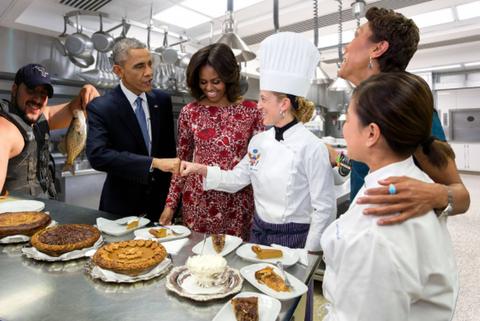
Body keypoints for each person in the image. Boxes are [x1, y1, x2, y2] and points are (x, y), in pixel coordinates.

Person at [181, 32, 336, 321]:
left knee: (289, 307)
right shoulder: (259, 142)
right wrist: (202, 170)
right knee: (258, 305)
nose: (259, 105)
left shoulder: (311, 147)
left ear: (284, 104)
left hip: (294, 239)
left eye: (264, 99)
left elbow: (324, 208)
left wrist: (309, 256)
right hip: (258, 233)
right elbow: (237, 178)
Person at [321, 72, 458, 321]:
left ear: (372, 133)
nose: (344, 127)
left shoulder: (376, 230)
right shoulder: (404, 179)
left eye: (348, 119)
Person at [332, 7, 470, 223]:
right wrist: (335, 156)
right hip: (362, 227)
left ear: (377, 48)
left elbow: (462, 197)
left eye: (356, 35)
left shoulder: (402, 107)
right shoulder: (363, 105)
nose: (346, 47)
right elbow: (366, 166)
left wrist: (436, 194)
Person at [159, 43, 264, 240]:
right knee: (197, 261)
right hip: (198, 201)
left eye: (216, 81)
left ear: (229, 78)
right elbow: (180, 161)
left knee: (234, 261)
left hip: (237, 202)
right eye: (203, 82)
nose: (209, 88)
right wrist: (170, 206)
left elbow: (258, 164)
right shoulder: (190, 112)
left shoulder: (251, 112)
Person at [86, 38, 179, 222]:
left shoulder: (162, 100)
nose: (149, 73)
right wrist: (153, 163)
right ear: (118, 71)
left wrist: (172, 204)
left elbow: (169, 153)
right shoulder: (101, 107)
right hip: (120, 209)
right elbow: (98, 155)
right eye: (139, 66)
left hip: (158, 208)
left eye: (150, 64)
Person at [0, 63, 99, 198]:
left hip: (44, 212)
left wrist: (87, 91)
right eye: (31, 90)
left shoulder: (42, 116)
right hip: (18, 217)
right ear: (14, 89)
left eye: (43, 94)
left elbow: (74, 110)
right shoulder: (4, 130)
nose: (37, 99)